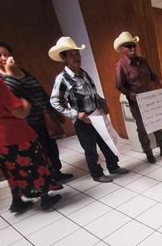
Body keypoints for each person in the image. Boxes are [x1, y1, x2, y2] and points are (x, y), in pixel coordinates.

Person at [49, 37, 129, 183]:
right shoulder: (62, 78)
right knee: (90, 149)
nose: (77, 57)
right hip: (83, 121)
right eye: (72, 55)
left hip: (97, 115)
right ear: (64, 58)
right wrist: (75, 114)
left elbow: (92, 93)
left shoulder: (83, 73)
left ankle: (113, 166)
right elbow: (55, 101)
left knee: (106, 142)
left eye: (77, 54)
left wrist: (103, 103)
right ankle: (97, 174)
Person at [0, 40, 73, 182]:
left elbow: (39, 90)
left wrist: (53, 110)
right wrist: (9, 73)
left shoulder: (22, 71)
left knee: (51, 145)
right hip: (25, 122)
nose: (3, 58)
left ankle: (56, 172)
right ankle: (48, 179)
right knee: (39, 151)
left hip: (43, 115)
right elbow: (11, 93)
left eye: (5, 54)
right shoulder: (1, 78)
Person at [0, 78, 62, 213]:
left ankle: (17, 201)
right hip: (15, 133)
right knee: (36, 165)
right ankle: (45, 198)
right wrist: (26, 104)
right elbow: (19, 113)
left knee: (11, 170)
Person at [114, 31, 162, 164]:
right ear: (122, 49)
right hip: (136, 103)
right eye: (128, 46)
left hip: (150, 100)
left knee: (157, 123)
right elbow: (119, 85)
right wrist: (129, 94)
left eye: (133, 46)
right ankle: (148, 152)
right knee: (142, 128)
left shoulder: (143, 61)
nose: (132, 48)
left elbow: (155, 78)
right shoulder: (120, 65)